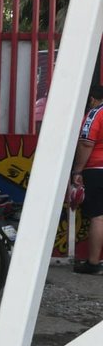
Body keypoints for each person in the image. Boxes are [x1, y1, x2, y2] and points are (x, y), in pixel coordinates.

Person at [71, 85, 103, 274]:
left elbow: (86, 143)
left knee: (98, 217)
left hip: (97, 169)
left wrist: (77, 170)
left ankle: (92, 263)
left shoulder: (95, 113)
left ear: (91, 99)